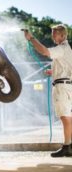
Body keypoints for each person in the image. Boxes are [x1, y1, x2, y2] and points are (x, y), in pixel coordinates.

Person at [23, 24, 72, 157]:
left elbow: (45, 51)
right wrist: (54, 72)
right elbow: (66, 68)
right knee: (66, 116)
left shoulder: (61, 48)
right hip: (65, 85)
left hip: (62, 87)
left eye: (55, 34)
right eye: (52, 33)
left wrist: (31, 38)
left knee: (65, 117)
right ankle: (68, 145)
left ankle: (68, 147)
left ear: (63, 35)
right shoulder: (66, 49)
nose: (53, 36)